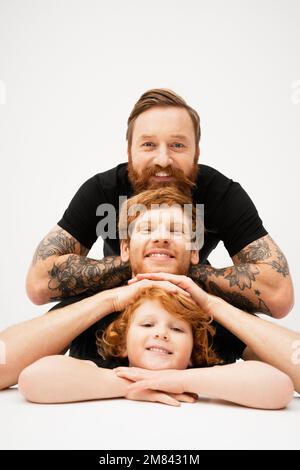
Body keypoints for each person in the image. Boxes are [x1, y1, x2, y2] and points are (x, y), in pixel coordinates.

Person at [1, 188, 299, 405]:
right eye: (146, 228)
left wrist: (212, 305)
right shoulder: (95, 302)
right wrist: (111, 302)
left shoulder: (212, 312)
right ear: (126, 249)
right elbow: (20, 372)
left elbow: (282, 385)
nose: (161, 236)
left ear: (195, 251)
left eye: (175, 230)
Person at [25, 89, 294, 318]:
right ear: (129, 150)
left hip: (190, 303)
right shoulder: (102, 190)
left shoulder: (220, 193)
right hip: (119, 301)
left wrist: (176, 271)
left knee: (244, 324)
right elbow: (38, 283)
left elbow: (279, 294)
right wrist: (144, 265)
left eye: (177, 145)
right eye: (149, 145)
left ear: (196, 152)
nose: (163, 160)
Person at [18, 286, 294, 410]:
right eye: (147, 325)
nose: (161, 334)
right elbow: (33, 379)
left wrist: (178, 380)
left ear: (194, 351)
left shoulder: (205, 373)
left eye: (176, 329)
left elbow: (279, 388)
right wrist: (130, 386)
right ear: (123, 344)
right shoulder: (106, 369)